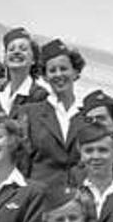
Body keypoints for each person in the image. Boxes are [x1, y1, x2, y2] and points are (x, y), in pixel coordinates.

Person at [22, 38, 85, 183]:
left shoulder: (88, 116)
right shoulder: (29, 113)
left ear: (75, 72)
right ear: (45, 77)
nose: (58, 74)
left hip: (76, 200)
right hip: (38, 197)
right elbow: (21, 162)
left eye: (63, 69)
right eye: (52, 70)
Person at [0, 27, 49, 117]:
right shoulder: (0, 89)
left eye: (23, 49)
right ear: (5, 59)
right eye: (11, 49)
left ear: (33, 59)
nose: (16, 52)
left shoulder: (40, 95)